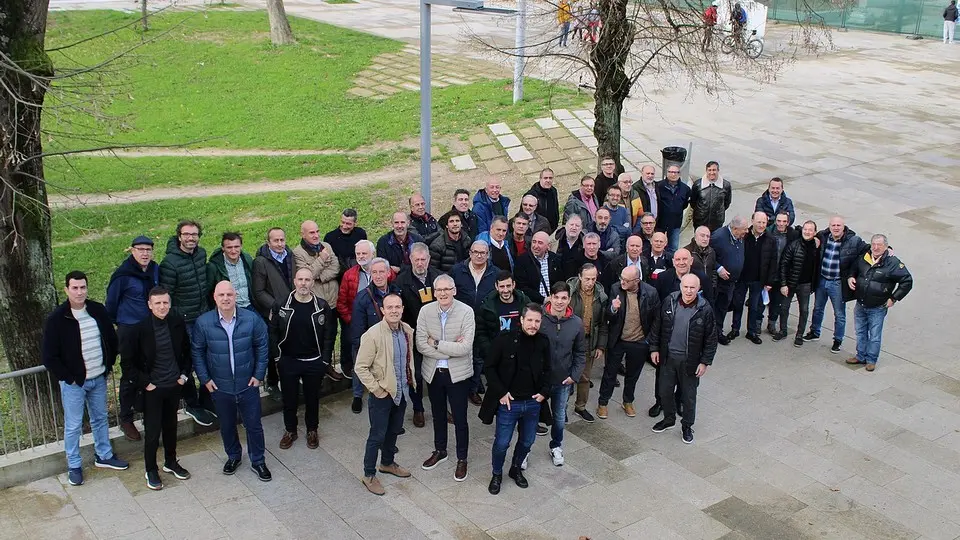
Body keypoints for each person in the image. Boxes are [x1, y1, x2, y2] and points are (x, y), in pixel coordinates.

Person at [42, 271, 129, 487]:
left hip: (98, 377)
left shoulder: (97, 310)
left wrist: (107, 365)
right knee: (73, 426)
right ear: (66, 290)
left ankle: (104, 455)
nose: (79, 292)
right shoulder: (57, 319)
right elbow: (49, 356)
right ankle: (74, 465)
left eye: (83, 287)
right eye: (75, 288)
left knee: (100, 418)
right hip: (74, 383)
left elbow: (111, 339)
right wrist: (68, 378)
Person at [193, 281, 271, 481]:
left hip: (248, 384)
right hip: (220, 386)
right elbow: (197, 352)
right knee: (227, 425)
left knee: (253, 425)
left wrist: (258, 374)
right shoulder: (203, 323)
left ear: (236, 296)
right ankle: (233, 456)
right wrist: (205, 379)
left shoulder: (251, 319)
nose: (226, 298)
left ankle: (258, 460)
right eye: (221, 295)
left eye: (229, 294)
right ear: (215, 298)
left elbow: (262, 346)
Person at [119, 286, 192, 490]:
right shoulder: (139, 330)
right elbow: (127, 363)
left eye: (165, 302)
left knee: (171, 427)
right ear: (150, 305)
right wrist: (146, 384)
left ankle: (171, 462)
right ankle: (150, 469)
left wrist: (183, 376)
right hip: (153, 389)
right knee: (152, 432)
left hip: (173, 385)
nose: (162, 306)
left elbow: (187, 351)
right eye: (157, 303)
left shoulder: (176, 323)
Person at [480, 304, 551, 495]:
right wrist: (501, 392)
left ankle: (516, 468)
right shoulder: (504, 340)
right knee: (502, 443)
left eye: (537, 321)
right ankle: (496, 474)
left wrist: (544, 393)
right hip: (509, 403)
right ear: (521, 320)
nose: (533, 324)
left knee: (527, 441)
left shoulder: (543, 342)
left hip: (533, 403)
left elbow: (548, 370)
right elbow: (489, 367)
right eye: (530, 320)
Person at [417, 275, 476, 482]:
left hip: (457, 375)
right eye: (439, 290)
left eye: (447, 289)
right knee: (438, 414)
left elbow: (465, 347)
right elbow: (420, 344)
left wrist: (436, 343)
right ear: (434, 292)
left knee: (460, 418)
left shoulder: (466, 312)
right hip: (434, 373)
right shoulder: (425, 311)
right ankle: (440, 450)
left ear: (454, 290)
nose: (443, 293)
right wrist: (451, 349)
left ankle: (462, 458)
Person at [355, 293, 415, 496]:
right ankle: (369, 474)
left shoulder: (407, 330)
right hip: (383, 394)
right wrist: (377, 389)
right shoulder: (372, 335)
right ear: (382, 310)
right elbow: (360, 367)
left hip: (402, 391)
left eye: (397, 307)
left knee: (394, 430)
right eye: (389, 307)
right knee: (377, 436)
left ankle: (387, 463)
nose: (394, 311)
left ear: (402, 309)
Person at [271, 268, 336, 450]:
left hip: (314, 361)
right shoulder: (282, 304)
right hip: (289, 361)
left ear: (312, 283)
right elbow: (273, 332)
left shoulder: (321, 306)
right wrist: (278, 357)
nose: (303, 283)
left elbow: (329, 335)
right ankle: (290, 430)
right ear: (294, 281)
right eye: (300, 279)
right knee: (289, 399)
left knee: (312, 398)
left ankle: (312, 430)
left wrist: (324, 360)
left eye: (307, 280)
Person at [158, 221, 216, 424]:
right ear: (179, 236)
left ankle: (207, 399)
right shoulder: (169, 263)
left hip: (203, 316)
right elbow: (167, 296)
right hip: (184, 321)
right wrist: (178, 319)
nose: (191, 238)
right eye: (186, 234)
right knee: (189, 362)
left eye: (194, 234)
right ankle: (192, 404)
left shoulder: (201, 254)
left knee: (209, 358)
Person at [650, 274, 717, 444]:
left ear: (698, 289)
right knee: (664, 391)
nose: (688, 291)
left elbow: (711, 339)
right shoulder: (669, 301)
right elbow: (657, 326)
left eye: (692, 287)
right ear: (680, 286)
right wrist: (654, 348)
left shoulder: (705, 310)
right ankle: (669, 419)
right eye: (686, 287)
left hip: (690, 362)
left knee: (688, 397)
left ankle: (687, 426)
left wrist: (705, 362)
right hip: (668, 358)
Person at [106, 235, 161, 440]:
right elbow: (111, 304)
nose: (145, 253)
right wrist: (122, 325)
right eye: (140, 250)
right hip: (129, 330)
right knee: (130, 374)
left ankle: (149, 413)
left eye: (148, 250)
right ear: (132, 251)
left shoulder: (154, 269)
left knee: (150, 371)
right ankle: (126, 418)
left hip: (150, 328)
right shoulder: (123, 275)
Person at [596, 265, 659, 420]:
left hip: (639, 342)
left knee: (633, 375)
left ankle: (628, 401)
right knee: (610, 374)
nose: (622, 282)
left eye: (626, 280)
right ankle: (603, 403)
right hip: (618, 339)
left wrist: (649, 342)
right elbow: (608, 316)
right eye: (621, 278)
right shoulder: (615, 288)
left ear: (637, 281)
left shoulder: (651, 292)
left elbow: (656, 319)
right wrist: (613, 308)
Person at [847, 234, 912, 371]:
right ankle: (860, 356)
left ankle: (871, 360)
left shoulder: (893, 263)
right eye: (873, 244)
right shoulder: (864, 257)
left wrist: (893, 298)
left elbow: (907, 281)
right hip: (861, 303)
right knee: (860, 332)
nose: (876, 248)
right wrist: (851, 277)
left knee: (874, 335)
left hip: (878, 307)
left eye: (879, 245)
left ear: (886, 247)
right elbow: (854, 268)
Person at [804, 216, 869, 353]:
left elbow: (868, 249)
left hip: (838, 283)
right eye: (833, 225)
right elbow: (805, 233)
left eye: (839, 225)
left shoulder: (853, 241)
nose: (836, 228)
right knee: (818, 308)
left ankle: (837, 340)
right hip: (822, 280)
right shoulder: (823, 236)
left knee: (839, 314)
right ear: (829, 226)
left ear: (843, 227)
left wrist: (888, 249)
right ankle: (814, 332)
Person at [539, 282, 586, 467]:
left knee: (559, 417)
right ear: (550, 297)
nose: (559, 301)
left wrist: (574, 375)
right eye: (556, 297)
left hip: (563, 380)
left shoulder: (576, 323)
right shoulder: (539, 319)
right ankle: (525, 449)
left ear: (569, 299)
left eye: (564, 298)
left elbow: (580, 352)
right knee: (531, 418)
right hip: (540, 380)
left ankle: (556, 445)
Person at [395, 242, 441, 428]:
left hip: (437, 334)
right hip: (413, 334)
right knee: (417, 375)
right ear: (410, 259)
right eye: (416, 260)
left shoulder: (438, 278)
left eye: (423, 259)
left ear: (428, 259)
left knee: (438, 373)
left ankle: (439, 408)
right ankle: (418, 408)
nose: (420, 263)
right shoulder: (401, 281)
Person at [350, 258, 401, 414]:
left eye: (381, 272)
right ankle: (357, 395)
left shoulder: (397, 292)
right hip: (371, 343)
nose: (378, 276)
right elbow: (357, 329)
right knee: (361, 367)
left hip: (391, 341)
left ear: (388, 273)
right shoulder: (362, 298)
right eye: (374, 272)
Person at [450, 241, 497, 403]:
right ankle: (458, 388)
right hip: (460, 321)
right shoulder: (457, 271)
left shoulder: (495, 273)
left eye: (483, 253)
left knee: (478, 358)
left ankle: (473, 389)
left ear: (488, 255)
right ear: (470, 253)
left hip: (483, 322)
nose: (479, 255)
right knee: (460, 355)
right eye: (475, 252)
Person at [293, 221, 340, 378]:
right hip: (314, 303)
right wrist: (321, 259)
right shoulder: (298, 253)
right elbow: (306, 275)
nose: (316, 235)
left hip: (332, 300)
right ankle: (314, 369)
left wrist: (319, 276)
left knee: (330, 335)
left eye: (317, 231)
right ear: (303, 234)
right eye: (312, 233)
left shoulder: (327, 246)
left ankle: (327, 365)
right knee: (314, 337)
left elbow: (336, 268)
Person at [252, 227, 294, 392]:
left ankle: (290, 379)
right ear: (268, 242)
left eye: (282, 240)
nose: (279, 243)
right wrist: (276, 307)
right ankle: (272, 383)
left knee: (290, 345)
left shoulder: (289, 256)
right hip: (273, 313)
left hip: (291, 309)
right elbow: (259, 291)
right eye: (275, 240)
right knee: (273, 348)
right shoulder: (261, 262)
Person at [728, 212, 777, 345]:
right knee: (738, 304)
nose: (761, 225)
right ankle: (735, 329)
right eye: (759, 222)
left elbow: (773, 262)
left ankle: (752, 332)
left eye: (764, 222)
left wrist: (769, 282)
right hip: (742, 278)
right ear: (752, 221)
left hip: (758, 280)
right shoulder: (744, 235)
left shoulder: (771, 239)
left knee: (754, 307)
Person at [567, 264, 608, 423]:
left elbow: (603, 324)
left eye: (593, 279)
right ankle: (561, 408)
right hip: (570, 341)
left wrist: (600, 346)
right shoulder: (570, 292)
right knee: (565, 377)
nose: (590, 282)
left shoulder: (601, 296)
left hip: (589, 340)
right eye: (587, 279)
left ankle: (580, 407)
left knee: (584, 377)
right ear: (580, 277)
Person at [335, 240, 379, 383]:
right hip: (358, 325)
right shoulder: (349, 275)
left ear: (373, 254)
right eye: (358, 253)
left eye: (364, 253)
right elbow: (341, 302)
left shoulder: (385, 271)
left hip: (379, 323)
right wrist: (351, 320)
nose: (360, 256)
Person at [476, 271, 531, 375]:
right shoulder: (487, 306)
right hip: (497, 358)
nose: (505, 290)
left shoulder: (524, 301)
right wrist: (490, 352)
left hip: (521, 356)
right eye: (502, 286)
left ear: (514, 285)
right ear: (496, 286)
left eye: (508, 286)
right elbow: (481, 332)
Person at [776, 221, 821, 347]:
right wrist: (783, 284)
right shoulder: (793, 245)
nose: (807, 232)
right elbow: (783, 264)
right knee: (784, 308)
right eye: (805, 229)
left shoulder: (817, 247)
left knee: (804, 310)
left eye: (810, 230)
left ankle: (799, 335)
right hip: (790, 283)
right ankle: (783, 331)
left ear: (815, 233)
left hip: (806, 285)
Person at [711, 216, 748, 345]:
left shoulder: (739, 236)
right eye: (744, 229)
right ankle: (712, 334)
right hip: (719, 282)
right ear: (735, 228)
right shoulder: (718, 237)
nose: (746, 231)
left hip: (732, 282)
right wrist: (718, 268)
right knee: (717, 308)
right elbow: (707, 254)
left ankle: (718, 331)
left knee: (723, 307)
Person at [765, 213, 798, 334]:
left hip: (781, 275)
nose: (781, 224)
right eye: (779, 221)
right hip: (767, 273)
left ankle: (771, 324)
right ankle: (756, 324)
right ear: (775, 221)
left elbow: (807, 234)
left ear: (788, 223)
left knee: (776, 302)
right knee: (761, 301)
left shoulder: (792, 235)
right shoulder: (768, 232)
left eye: (784, 221)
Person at [206, 232, 254, 310]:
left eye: (236, 247)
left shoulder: (247, 260)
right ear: (223, 248)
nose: (233, 251)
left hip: (249, 305)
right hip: (228, 309)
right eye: (229, 247)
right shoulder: (214, 267)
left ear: (241, 246)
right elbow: (208, 292)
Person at [515, 231, 564, 304]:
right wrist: (543, 299)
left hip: (552, 304)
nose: (535, 246)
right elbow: (522, 287)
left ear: (548, 246)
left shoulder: (555, 259)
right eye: (534, 242)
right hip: (532, 305)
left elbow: (560, 282)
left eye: (540, 243)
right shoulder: (522, 260)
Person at [323, 208, 367, 279]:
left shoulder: (360, 234)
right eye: (342, 222)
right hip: (338, 275)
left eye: (348, 224)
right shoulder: (330, 237)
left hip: (358, 273)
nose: (344, 226)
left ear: (355, 223)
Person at [657, 164, 691, 252]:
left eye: (676, 172)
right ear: (666, 173)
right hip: (660, 223)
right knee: (657, 246)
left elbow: (685, 204)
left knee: (673, 248)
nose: (673, 174)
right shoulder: (659, 186)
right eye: (671, 172)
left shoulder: (685, 189)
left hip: (676, 223)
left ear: (679, 174)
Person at [690, 161, 732, 232]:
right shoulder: (698, 184)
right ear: (706, 171)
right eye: (709, 170)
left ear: (718, 170)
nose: (712, 173)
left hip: (717, 222)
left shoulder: (726, 185)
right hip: (700, 221)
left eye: (714, 170)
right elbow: (693, 202)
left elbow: (727, 203)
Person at [686, 226, 717, 293]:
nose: (705, 239)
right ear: (695, 237)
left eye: (708, 236)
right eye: (702, 236)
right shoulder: (687, 252)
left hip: (707, 290)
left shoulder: (711, 252)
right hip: (692, 290)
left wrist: (713, 288)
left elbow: (713, 271)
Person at [554, 214, 585, 278]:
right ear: (565, 226)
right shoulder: (553, 242)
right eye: (571, 225)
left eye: (577, 226)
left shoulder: (585, 244)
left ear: (581, 229)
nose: (574, 228)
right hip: (557, 280)